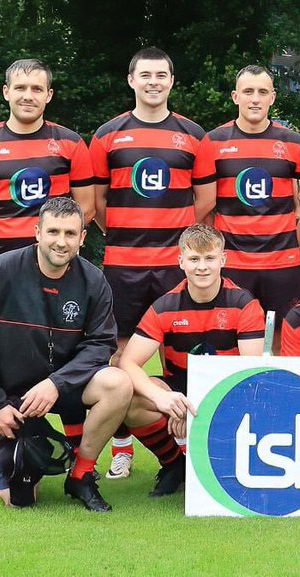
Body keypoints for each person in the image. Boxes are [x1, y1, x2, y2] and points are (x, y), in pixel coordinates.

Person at [0, 58, 95, 488]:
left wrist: (48, 247)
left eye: (37, 88)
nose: (28, 95)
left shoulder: (69, 143)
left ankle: (74, 455)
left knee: (65, 355)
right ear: (6, 92)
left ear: (49, 95)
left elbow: (85, 208)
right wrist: (4, 249)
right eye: (21, 88)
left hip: (57, 270)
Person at [0, 197, 132, 511]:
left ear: (82, 238)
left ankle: (81, 475)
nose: (60, 242)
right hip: (11, 396)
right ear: (38, 232)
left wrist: (56, 383)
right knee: (18, 500)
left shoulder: (94, 281)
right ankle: (28, 436)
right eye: (53, 231)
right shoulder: (0, 271)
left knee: (118, 384)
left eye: (69, 234)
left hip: (63, 389)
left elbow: (101, 344)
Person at [90, 46, 208, 479]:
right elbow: (97, 202)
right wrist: (125, 232)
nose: (153, 82)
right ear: (132, 80)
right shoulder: (108, 134)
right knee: (120, 357)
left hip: (175, 265)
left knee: (177, 353)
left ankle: (180, 439)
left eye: (162, 74)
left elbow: (205, 200)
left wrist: (174, 238)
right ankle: (123, 447)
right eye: (146, 75)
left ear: (172, 81)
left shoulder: (194, 135)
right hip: (122, 265)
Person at [116, 224, 265, 497]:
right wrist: (164, 399)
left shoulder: (244, 304)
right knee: (130, 398)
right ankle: (174, 465)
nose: (202, 267)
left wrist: (199, 408)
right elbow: (128, 363)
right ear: (181, 260)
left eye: (209, 258)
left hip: (228, 392)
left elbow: (249, 374)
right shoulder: (165, 305)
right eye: (194, 259)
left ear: (223, 259)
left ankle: (224, 459)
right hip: (178, 388)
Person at [193, 65, 300, 336]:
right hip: (232, 261)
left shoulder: (294, 143)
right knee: (229, 336)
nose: (255, 99)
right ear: (235, 97)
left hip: (282, 263)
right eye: (248, 91)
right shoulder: (213, 142)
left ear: (272, 97)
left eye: (262, 92)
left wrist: (290, 245)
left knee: (284, 336)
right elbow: (206, 203)